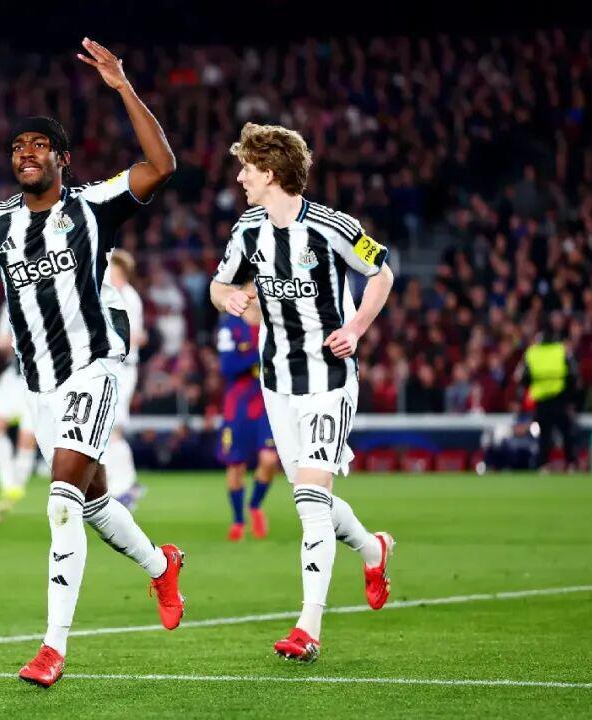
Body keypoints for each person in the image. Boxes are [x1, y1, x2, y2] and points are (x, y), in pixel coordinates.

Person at [0, 38, 184, 688]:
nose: (26, 154)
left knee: (62, 499)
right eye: (18, 147)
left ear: (62, 159)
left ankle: (52, 647)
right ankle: (161, 566)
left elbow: (162, 165)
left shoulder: (92, 206)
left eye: (39, 145)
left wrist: (122, 86)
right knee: (92, 503)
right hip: (37, 383)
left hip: (93, 368)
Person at [209, 123, 395, 663]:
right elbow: (220, 284)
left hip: (328, 381)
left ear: (270, 173)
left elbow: (381, 274)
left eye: (247, 168)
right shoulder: (248, 230)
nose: (240, 178)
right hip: (277, 383)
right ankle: (373, 548)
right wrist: (228, 300)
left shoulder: (334, 227)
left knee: (311, 502)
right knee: (309, 497)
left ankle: (308, 627)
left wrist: (356, 327)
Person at [215, 301, 278, 541]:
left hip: (267, 402)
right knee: (236, 466)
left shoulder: (275, 320)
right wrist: (258, 353)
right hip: (238, 406)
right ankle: (238, 520)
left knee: (269, 459)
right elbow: (227, 366)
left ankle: (255, 505)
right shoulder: (230, 325)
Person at [0, 314, 39, 524]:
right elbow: (1, 342)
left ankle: (18, 485)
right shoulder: (10, 304)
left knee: (27, 436)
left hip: (41, 375)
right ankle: (9, 486)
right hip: (14, 373)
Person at [103, 249, 146, 509]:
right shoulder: (117, 294)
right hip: (115, 367)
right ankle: (123, 483)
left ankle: (125, 485)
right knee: (108, 428)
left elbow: (135, 336)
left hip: (122, 368)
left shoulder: (127, 296)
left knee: (112, 428)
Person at [520, 326, 580, 470]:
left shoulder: (532, 353)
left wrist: (536, 388)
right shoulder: (561, 351)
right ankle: (571, 463)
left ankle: (543, 464)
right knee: (566, 431)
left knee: (544, 434)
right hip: (559, 398)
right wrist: (568, 396)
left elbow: (524, 377)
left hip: (542, 400)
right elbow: (573, 375)